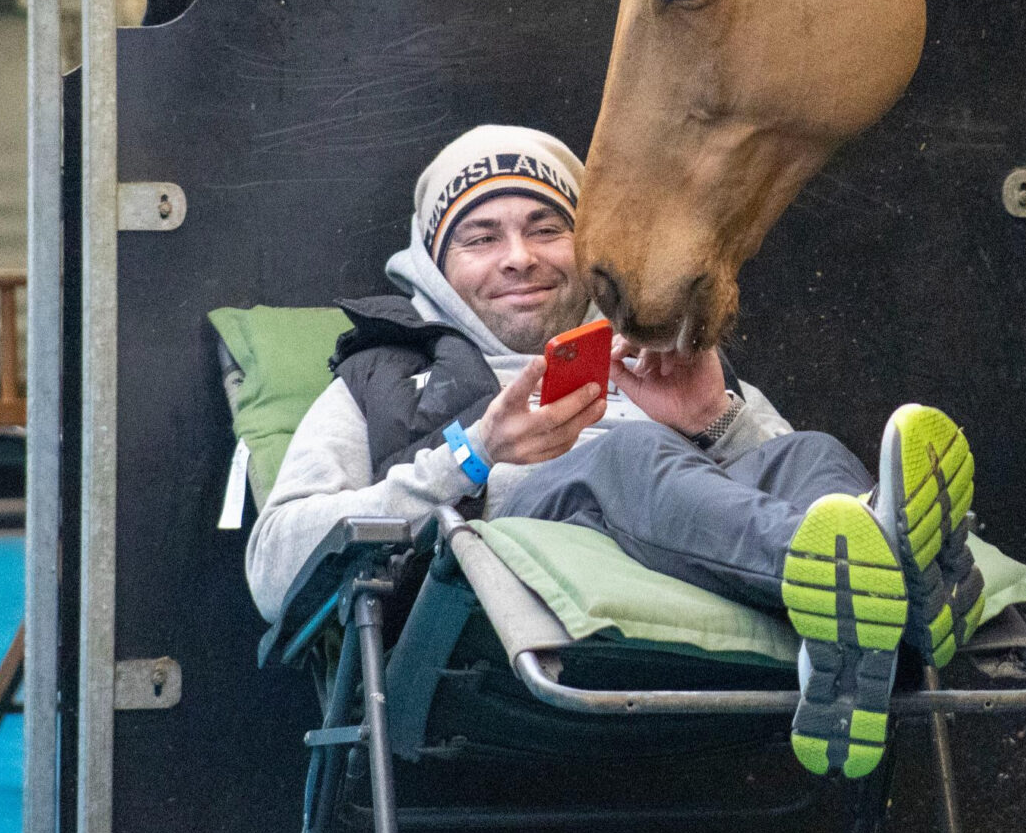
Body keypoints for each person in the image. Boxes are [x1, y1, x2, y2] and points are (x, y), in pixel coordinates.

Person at [246, 124, 986, 777]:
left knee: (807, 456)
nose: (518, 258)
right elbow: (275, 566)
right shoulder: (381, 378)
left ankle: (867, 617)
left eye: (546, 228)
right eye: (479, 238)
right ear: (437, 264)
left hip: (717, 622)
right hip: (495, 645)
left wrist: (710, 420)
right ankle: (903, 594)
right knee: (622, 459)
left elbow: (784, 486)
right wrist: (472, 457)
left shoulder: (650, 354)